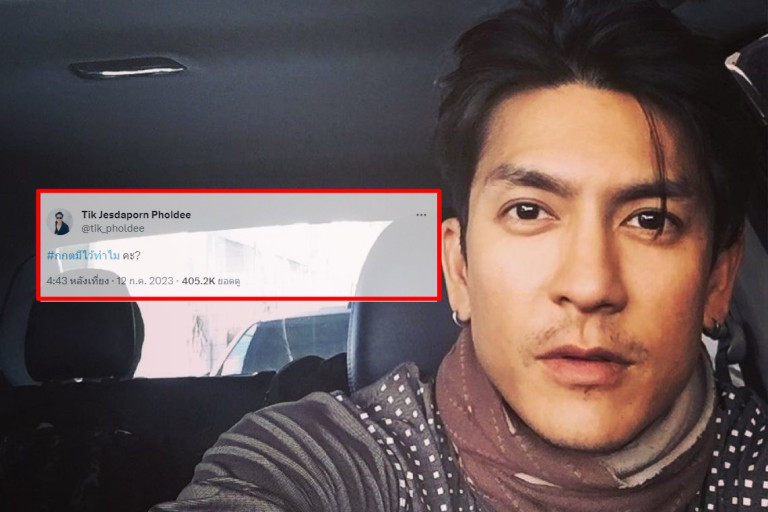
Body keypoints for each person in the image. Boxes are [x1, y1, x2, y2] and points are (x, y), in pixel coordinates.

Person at [151, 1, 766, 510]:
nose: (588, 285)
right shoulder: (328, 461)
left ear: (719, 278)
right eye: (529, 211)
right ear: (459, 269)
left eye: (650, 220)